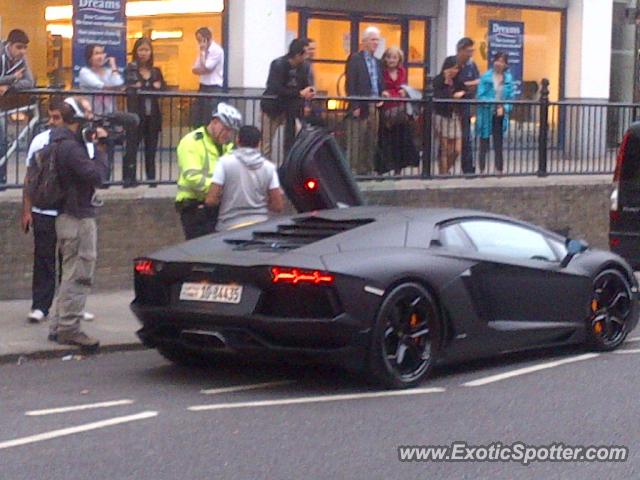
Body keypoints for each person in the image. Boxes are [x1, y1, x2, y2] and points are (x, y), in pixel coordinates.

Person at [22, 97, 97, 323]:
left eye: (57, 117)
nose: (53, 122)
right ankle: (41, 306)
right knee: (44, 259)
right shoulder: (40, 140)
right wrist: (26, 210)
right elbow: (30, 177)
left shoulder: (83, 141)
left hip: (70, 211)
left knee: (72, 262)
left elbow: (89, 175)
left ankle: (71, 306)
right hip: (44, 210)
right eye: (52, 116)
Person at [47, 98, 109, 351]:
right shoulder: (71, 149)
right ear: (76, 120)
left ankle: (57, 325)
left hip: (65, 215)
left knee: (69, 273)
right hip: (77, 216)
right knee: (80, 274)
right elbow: (97, 176)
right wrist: (102, 148)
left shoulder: (60, 143)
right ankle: (70, 328)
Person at [175, 102, 242, 240]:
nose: (229, 134)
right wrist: (219, 188)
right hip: (195, 207)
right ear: (215, 122)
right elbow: (192, 177)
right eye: (226, 129)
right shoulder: (192, 142)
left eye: (232, 131)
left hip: (217, 206)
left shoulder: (226, 146)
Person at [79, 44, 140, 187]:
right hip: (93, 116)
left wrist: (113, 66)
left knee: (109, 148)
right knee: (95, 149)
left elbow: (118, 82)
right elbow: (101, 86)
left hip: (109, 115)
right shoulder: (84, 72)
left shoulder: (107, 71)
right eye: (96, 53)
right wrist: (118, 86)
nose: (100, 56)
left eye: (101, 53)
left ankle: (106, 180)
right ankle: (95, 180)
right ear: (89, 57)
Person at [205, 125, 284, 231]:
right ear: (259, 143)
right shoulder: (269, 167)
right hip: (260, 226)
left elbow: (211, 200)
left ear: (237, 140)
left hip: (228, 226)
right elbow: (278, 205)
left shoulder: (224, 163)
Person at [260, 38, 314, 159]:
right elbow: (276, 88)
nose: (307, 56)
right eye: (305, 53)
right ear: (297, 55)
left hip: (291, 110)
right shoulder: (278, 64)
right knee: (266, 144)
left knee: (297, 138)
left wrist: (308, 95)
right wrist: (300, 93)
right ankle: (264, 172)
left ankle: (289, 167)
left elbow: (305, 84)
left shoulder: (304, 67)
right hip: (272, 109)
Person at [126, 37, 166, 184]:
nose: (144, 53)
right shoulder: (131, 68)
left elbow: (162, 88)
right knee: (131, 149)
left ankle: (151, 179)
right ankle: (129, 180)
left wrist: (143, 86)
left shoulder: (156, 71)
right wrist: (149, 86)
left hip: (153, 116)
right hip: (136, 116)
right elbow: (132, 86)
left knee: (151, 150)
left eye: (147, 50)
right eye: (141, 49)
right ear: (136, 51)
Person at [345, 26, 384, 175]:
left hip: (374, 105)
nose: (376, 43)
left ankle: (368, 169)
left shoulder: (377, 62)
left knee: (371, 140)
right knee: (356, 140)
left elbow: (379, 81)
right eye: (373, 40)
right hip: (360, 105)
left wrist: (382, 95)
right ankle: (353, 171)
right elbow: (350, 83)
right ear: (365, 41)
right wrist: (354, 104)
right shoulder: (355, 59)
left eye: (377, 40)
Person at [0, 29, 35, 190]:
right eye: (19, 47)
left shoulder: (22, 59)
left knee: (2, 141)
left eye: (25, 48)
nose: (22, 51)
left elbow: (30, 82)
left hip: (3, 104)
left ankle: (1, 179)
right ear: (9, 45)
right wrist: (13, 77)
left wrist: (9, 86)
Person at [377, 46, 419, 175]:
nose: (391, 60)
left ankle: (398, 168)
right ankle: (384, 168)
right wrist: (384, 93)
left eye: (394, 57)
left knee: (401, 139)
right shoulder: (381, 72)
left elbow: (403, 86)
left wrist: (404, 91)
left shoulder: (402, 71)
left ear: (399, 59)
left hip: (400, 108)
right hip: (387, 109)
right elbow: (379, 87)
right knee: (386, 139)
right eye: (389, 57)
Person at [476, 52, 514, 175]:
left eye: (502, 61)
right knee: (484, 142)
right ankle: (482, 169)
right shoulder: (486, 77)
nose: (499, 63)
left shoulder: (508, 79)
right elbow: (480, 96)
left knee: (498, 142)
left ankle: (499, 169)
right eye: (497, 60)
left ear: (506, 64)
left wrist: (505, 107)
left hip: (500, 114)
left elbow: (511, 98)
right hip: (486, 112)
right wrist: (495, 103)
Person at [450, 37, 480, 175]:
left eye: (472, 51)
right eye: (468, 51)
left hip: (467, 104)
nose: (470, 54)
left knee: (467, 137)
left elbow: (477, 81)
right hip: (454, 106)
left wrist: (469, 86)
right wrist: (468, 85)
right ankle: (445, 168)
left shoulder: (472, 65)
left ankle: (468, 168)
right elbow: (455, 84)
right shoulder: (453, 63)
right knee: (452, 140)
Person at [432, 57, 466, 175]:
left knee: (456, 149)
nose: (454, 71)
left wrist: (462, 93)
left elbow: (466, 91)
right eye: (452, 68)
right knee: (445, 148)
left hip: (455, 115)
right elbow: (440, 97)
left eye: (456, 69)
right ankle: (444, 173)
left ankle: (445, 170)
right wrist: (446, 81)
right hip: (442, 115)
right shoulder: (438, 80)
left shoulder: (458, 81)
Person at [192, 27, 224, 128]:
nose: (199, 43)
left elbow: (207, 67)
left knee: (209, 117)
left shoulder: (216, 51)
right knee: (198, 117)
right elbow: (194, 69)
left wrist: (202, 52)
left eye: (200, 40)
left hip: (214, 88)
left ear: (206, 39)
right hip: (203, 86)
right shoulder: (204, 52)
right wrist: (203, 68)